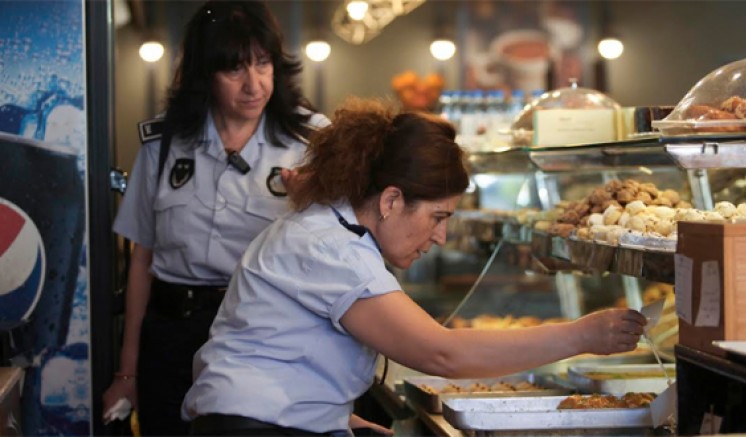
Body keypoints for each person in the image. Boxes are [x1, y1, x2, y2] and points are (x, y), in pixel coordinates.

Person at [181, 97, 648, 436]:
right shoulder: (329, 247)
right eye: (438, 217)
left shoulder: (328, 230)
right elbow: (440, 355)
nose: (440, 236)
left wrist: (342, 421)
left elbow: (283, 353)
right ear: (390, 200)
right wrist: (583, 336)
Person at [101, 1, 328, 435]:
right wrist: (126, 374)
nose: (253, 85)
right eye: (234, 70)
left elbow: (335, 256)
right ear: (205, 74)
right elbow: (141, 262)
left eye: (263, 64)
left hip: (262, 340)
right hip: (170, 337)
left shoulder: (310, 142)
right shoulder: (164, 144)